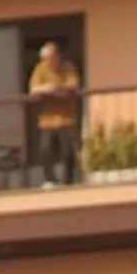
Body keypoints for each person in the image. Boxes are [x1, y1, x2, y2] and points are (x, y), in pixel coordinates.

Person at [29, 40, 83, 185]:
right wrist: (46, 88)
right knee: (45, 151)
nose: (49, 61)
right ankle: (50, 180)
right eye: (46, 59)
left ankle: (68, 181)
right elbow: (33, 89)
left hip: (66, 118)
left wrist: (56, 87)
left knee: (68, 152)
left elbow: (73, 84)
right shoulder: (40, 69)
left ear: (57, 56)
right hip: (47, 120)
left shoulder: (67, 67)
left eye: (51, 57)